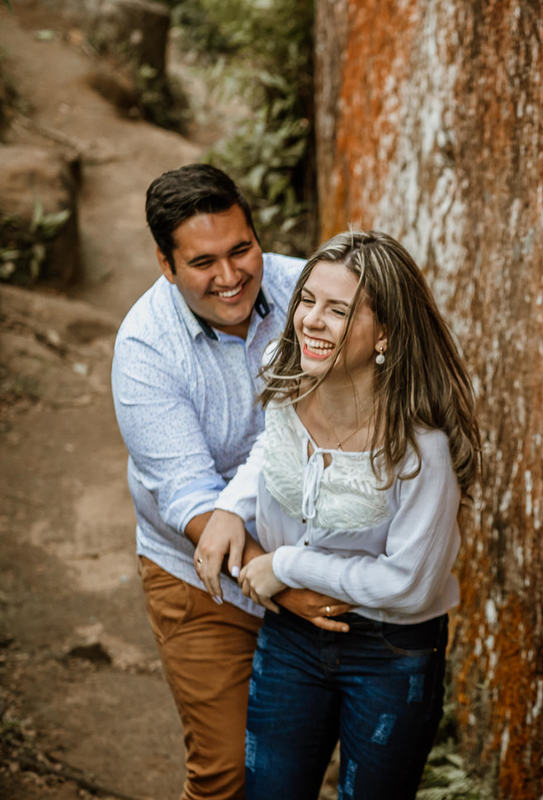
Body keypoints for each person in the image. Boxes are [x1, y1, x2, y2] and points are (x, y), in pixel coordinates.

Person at [196, 230, 481, 800]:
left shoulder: (419, 448)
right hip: (291, 635)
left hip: (391, 651)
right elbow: (275, 449)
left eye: (338, 310)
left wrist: (290, 565)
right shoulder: (286, 368)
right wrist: (230, 507)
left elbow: (408, 581)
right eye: (307, 300)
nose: (311, 321)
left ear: (386, 335)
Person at [111, 163, 354, 800]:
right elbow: (188, 498)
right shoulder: (145, 350)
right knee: (227, 777)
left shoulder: (308, 289)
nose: (230, 277)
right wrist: (276, 582)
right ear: (166, 265)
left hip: (313, 558)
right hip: (202, 580)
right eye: (203, 263)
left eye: (241, 249)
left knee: (295, 769)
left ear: (256, 234)